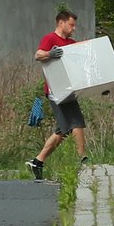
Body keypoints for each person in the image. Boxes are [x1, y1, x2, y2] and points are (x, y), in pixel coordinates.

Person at [26, 9, 88, 181]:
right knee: (74, 123)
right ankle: (83, 160)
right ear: (61, 23)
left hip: (69, 90)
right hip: (55, 91)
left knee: (65, 129)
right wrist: (49, 54)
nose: (74, 28)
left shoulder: (71, 42)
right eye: (71, 25)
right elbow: (38, 55)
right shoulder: (50, 39)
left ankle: (37, 162)